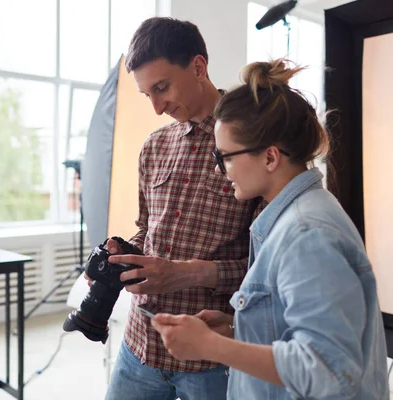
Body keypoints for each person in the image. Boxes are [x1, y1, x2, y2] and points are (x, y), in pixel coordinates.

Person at [149, 59, 390, 399]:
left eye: (226, 157)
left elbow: (329, 371)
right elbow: (297, 330)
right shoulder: (292, 219)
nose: (220, 171)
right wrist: (238, 329)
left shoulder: (307, 235)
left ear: (270, 158)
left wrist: (213, 347)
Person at [88, 17, 263, 400]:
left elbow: (267, 267)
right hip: (139, 346)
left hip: (211, 359)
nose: (156, 107)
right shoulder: (154, 146)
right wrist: (118, 255)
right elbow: (146, 231)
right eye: (146, 94)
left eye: (162, 88)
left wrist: (187, 275)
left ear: (198, 67)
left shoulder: (252, 144)